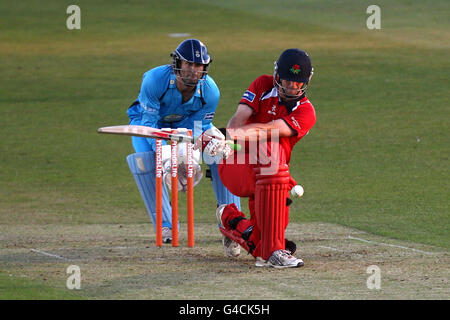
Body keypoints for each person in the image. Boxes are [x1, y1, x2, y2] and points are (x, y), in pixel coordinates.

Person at [126, 39, 241, 244]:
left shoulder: (211, 90)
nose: (193, 70)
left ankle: (233, 224)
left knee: (224, 154)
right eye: (189, 64)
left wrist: (203, 146)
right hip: (149, 124)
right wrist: (169, 156)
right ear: (177, 63)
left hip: (189, 124)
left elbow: (200, 126)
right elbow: (149, 123)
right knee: (146, 161)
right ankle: (166, 226)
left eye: (198, 65)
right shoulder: (154, 80)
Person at [213, 48, 317, 268]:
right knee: (273, 160)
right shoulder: (262, 84)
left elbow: (271, 130)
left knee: (260, 242)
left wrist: (230, 134)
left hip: (271, 173)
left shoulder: (306, 112)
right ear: (277, 75)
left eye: (298, 83)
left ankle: (230, 219)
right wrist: (226, 141)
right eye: (287, 81)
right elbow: (239, 118)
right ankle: (275, 252)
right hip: (237, 162)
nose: (291, 88)